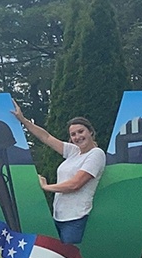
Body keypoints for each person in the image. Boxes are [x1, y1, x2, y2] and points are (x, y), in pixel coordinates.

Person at [10, 100, 105, 244]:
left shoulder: (96, 154)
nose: (77, 137)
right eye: (73, 134)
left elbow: (75, 184)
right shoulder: (74, 151)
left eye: (81, 131)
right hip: (59, 216)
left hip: (76, 218)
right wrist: (23, 120)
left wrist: (46, 187)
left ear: (90, 131)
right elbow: (46, 137)